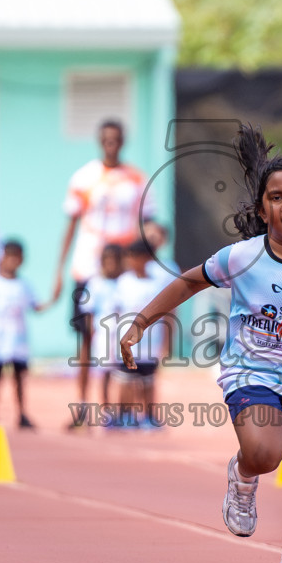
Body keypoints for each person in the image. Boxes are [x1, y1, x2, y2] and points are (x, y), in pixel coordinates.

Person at [119, 126, 282, 563]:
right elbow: (188, 283)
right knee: (266, 453)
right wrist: (141, 323)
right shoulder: (242, 257)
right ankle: (243, 474)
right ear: (262, 207)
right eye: (277, 197)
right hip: (250, 372)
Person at [51, 121, 155, 425]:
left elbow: (147, 227)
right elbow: (70, 226)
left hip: (123, 275)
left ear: (122, 141)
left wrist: (143, 264)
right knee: (85, 340)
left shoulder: (137, 178)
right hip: (88, 270)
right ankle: (83, 406)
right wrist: (59, 271)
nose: (111, 144)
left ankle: (123, 409)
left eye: (116, 139)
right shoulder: (84, 177)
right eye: (106, 139)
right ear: (99, 141)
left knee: (123, 337)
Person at [0, 240, 51, 428]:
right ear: (2, 258)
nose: (12, 261)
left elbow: (36, 306)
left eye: (16, 257)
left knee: (19, 378)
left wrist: (54, 298)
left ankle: (22, 413)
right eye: (9, 256)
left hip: (18, 340)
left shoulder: (24, 285)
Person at [113, 241, 167, 428]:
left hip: (151, 342)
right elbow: (115, 312)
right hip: (128, 342)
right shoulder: (123, 282)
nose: (134, 261)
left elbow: (167, 314)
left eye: (138, 257)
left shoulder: (157, 284)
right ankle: (124, 415)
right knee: (125, 380)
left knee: (148, 381)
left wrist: (167, 344)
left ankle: (149, 416)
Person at [85, 243, 124, 409]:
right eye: (108, 261)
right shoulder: (95, 283)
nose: (111, 265)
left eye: (115, 261)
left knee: (125, 374)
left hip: (123, 330)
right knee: (105, 372)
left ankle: (125, 409)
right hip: (104, 333)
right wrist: (91, 332)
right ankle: (106, 408)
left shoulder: (124, 282)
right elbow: (88, 310)